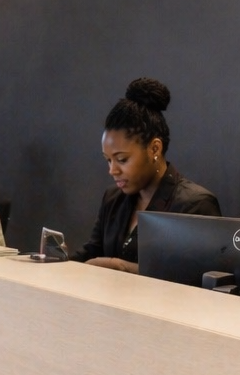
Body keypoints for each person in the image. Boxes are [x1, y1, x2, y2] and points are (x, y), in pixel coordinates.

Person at [70, 78, 219, 272]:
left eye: (122, 159)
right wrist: (54, 261)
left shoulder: (195, 205)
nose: (112, 170)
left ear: (154, 148)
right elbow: (91, 253)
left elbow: (198, 278)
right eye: (108, 160)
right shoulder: (113, 198)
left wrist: (124, 268)